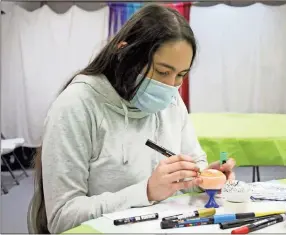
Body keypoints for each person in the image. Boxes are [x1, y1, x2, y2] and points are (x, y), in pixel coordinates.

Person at [29, 4, 235, 234]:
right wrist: (146, 192)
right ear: (124, 53)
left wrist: (204, 179)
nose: (170, 87)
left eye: (181, 75)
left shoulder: (172, 101)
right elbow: (61, 217)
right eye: (162, 72)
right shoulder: (76, 106)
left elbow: (193, 164)